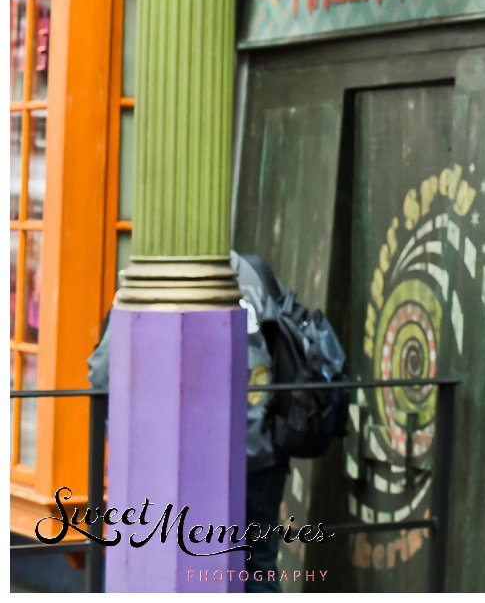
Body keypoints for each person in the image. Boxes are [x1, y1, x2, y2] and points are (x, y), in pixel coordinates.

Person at [90, 251, 343, 591]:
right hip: (261, 452)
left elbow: (102, 374)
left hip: (183, 465)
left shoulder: (150, 280)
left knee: (183, 564)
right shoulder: (252, 272)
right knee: (258, 566)